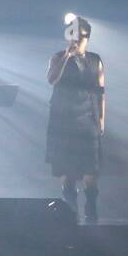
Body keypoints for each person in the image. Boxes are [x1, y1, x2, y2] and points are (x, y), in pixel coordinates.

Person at [46, 16, 104, 223]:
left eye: (81, 36)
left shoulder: (95, 60)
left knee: (91, 169)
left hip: (88, 118)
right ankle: (70, 213)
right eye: (73, 35)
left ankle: (91, 212)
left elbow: (100, 91)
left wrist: (101, 120)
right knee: (67, 170)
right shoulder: (58, 57)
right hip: (64, 120)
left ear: (88, 37)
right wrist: (66, 57)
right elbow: (52, 79)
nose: (77, 40)